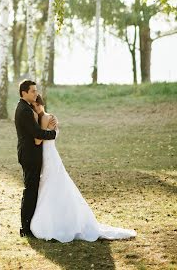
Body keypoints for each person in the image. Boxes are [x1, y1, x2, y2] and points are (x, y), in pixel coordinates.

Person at [29, 94, 137, 242]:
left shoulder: (45, 118)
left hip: (48, 154)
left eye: (37, 105)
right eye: (34, 106)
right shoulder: (50, 117)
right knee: (53, 182)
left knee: (51, 182)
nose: (36, 108)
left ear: (41, 104)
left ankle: (54, 222)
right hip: (50, 153)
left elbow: (39, 138)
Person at [14, 80, 58, 237]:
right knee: (30, 190)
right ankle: (25, 228)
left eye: (36, 90)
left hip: (30, 154)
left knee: (32, 190)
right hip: (29, 155)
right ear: (23, 93)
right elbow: (37, 134)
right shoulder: (24, 110)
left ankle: (29, 225)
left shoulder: (26, 108)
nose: (36, 93)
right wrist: (53, 134)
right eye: (32, 91)